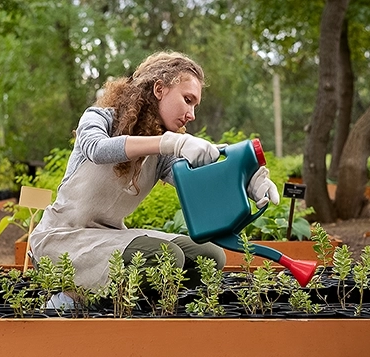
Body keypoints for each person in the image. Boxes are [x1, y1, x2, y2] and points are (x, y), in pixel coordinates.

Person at [29, 51, 279, 291]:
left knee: (209, 256)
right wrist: (170, 142)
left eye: (195, 106)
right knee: (166, 258)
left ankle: (145, 306)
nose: (191, 114)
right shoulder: (99, 118)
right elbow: (97, 149)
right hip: (63, 238)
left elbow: (201, 180)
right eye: (187, 100)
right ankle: (71, 298)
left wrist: (246, 179)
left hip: (109, 237)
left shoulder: (160, 156)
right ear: (159, 89)